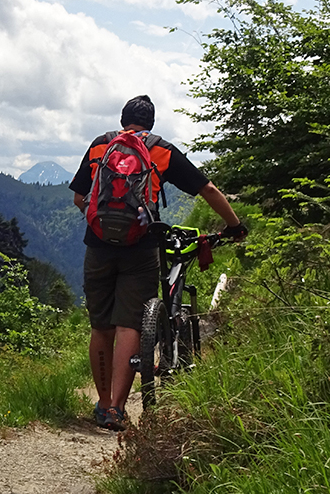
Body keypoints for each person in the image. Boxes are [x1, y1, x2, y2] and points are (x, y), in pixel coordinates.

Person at [68, 95, 247, 430]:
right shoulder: (160, 150)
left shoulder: (100, 146)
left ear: (123, 119)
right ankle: (118, 410)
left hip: (98, 247)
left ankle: (102, 403)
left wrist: (102, 225)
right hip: (141, 247)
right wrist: (235, 225)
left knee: (101, 327)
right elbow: (207, 189)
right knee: (129, 325)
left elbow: (80, 197)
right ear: (150, 122)